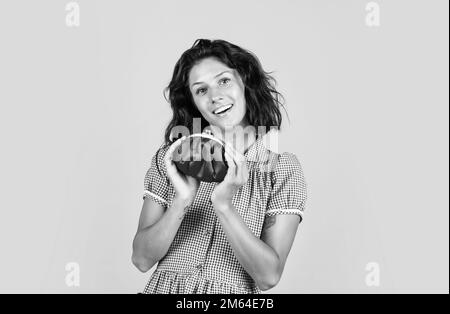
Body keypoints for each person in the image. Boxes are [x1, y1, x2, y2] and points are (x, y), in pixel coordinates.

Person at [132, 39, 307, 294]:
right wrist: (182, 199)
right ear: (194, 102)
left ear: (244, 82)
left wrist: (224, 206)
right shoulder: (170, 160)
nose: (215, 97)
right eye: (201, 90)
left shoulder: (280, 170)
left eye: (224, 81)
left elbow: (268, 276)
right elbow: (141, 259)